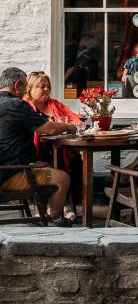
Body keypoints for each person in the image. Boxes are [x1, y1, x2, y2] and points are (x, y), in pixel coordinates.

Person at [0, 67, 77, 224]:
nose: (25, 90)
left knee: (46, 165)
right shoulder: (16, 105)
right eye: (25, 86)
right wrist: (69, 127)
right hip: (9, 174)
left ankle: (44, 215)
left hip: (11, 168)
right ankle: (54, 220)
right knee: (63, 178)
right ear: (16, 85)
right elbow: (47, 128)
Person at [24, 71, 81, 221]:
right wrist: (63, 126)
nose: (46, 90)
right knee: (52, 160)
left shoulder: (55, 104)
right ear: (29, 88)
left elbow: (75, 120)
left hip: (57, 147)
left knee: (74, 159)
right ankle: (48, 207)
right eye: (41, 86)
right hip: (34, 150)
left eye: (48, 86)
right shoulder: (24, 106)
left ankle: (63, 204)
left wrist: (71, 124)